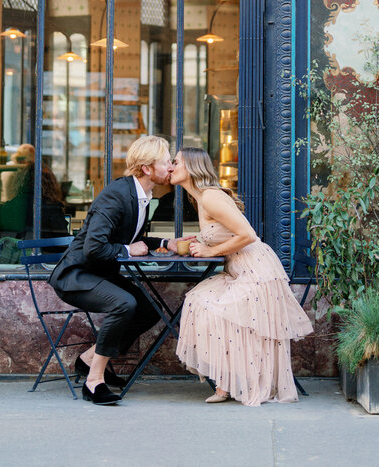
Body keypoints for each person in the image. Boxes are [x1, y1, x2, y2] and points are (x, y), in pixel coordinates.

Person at [48, 134, 182, 405]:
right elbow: (94, 248)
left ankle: (88, 360)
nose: (171, 166)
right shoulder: (116, 195)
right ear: (147, 168)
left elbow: (132, 239)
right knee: (124, 304)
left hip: (99, 273)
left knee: (148, 311)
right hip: (76, 275)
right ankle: (94, 381)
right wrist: (126, 251)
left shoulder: (142, 195)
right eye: (166, 161)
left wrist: (168, 243)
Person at [172, 148, 313, 406]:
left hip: (256, 272)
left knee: (213, 309)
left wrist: (210, 250)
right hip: (239, 271)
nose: (171, 166)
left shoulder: (210, 198)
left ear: (191, 168)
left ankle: (230, 383)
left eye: (176, 162)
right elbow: (221, 232)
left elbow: (247, 234)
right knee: (197, 300)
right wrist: (186, 242)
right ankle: (226, 381)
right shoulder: (201, 198)